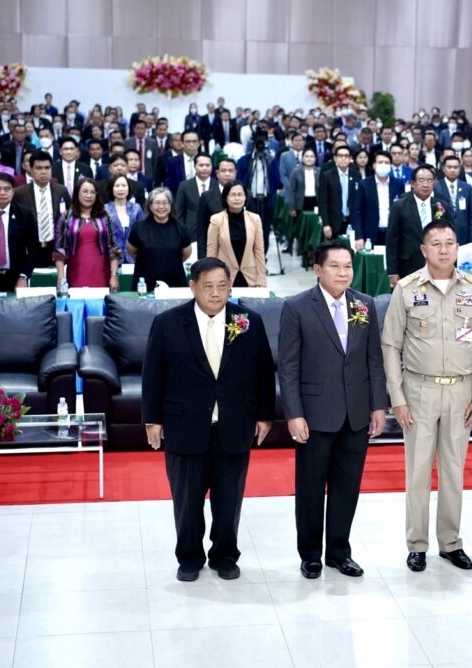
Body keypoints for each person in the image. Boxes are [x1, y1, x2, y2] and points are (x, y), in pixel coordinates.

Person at [142, 257, 275, 582]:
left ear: (230, 287)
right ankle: (189, 557)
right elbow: (153, 375)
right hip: (185, 426)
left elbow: (263, 372)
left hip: (234, 425)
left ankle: (225, 555)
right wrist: (152, 420)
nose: (216, 293)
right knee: (187, 501)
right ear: (193, 287)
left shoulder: (249, 321)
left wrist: (265, 415)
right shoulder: (168, 323)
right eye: (208, 286)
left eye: (222, 286)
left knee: (229, 500)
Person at [381, 220, 472, 572]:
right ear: (423, 249)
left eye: (449, 243)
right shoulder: (407, 289)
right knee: (417, 471)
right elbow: (390, 344)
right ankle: (417, 544)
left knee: (453, 471)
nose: (443, 250)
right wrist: (397, 397)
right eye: (436, 244)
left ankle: (450, 542)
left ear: (457, 247)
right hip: (419, 391)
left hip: (461, 391)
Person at [278, 242, 387, 579]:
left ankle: (339, 552)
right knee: (311, 488)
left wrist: (377, 406)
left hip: (356, 413)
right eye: (335, 266)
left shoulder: (364, 304)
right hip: (314, 414)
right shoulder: (297, 307)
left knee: (347, 486)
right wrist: (294, 413)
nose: (343, 273)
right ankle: (310, 554)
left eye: (348, 266)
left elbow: (374, 360)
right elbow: (288, 367)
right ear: (318, 269)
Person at [385, 165, 454, 285]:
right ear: (412, 183)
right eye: (421, 180)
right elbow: (392, 240)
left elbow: (451, 237)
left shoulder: (441, 206)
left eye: (429, 180)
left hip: (438, 264)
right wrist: (393, 272)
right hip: (408, 265)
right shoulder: (399, 206)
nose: (425, 184)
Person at [53, 177, 121, 289]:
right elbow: (59, 251)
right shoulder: (66, 217)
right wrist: (61, 279)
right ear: (77, 193)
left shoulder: (105, 216)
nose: (89, 195)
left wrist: (114, 276)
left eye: (92, 192)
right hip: (76, 273)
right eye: (85, 191)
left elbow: (113, 248)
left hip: (101, 273)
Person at [12, 150, 71, 268]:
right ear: (31, 170)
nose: (44, 172)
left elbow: (69, 217)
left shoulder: (61, 191)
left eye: (47, 168)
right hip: (30, 247)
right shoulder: (20, 193)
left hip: (55, 247)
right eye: (39, 168)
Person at [127, 187, 192, 290]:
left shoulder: (181, 228)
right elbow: (132, 251)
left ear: (170, 205)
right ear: (150, 206)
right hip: (145, 282)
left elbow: (186, 254)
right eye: (157, 203)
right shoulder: (139, 227)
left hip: (174, 282)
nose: (161, 207)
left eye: (165, 203)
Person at [206, 182, 266, 287]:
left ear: (245, 197)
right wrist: (211, 278)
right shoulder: (216, 220)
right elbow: (212, 252)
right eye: (233, 195)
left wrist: (261, 279)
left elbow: (259, 251)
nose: (237, 198)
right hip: (224, 276)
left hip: (249, 276)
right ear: (226, 198)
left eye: (240, 194)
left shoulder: (255, 219)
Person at [351, 150, 403, 247]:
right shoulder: (364, 184)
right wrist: (358, 236)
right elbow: (357, 211)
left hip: (392, 233)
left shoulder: (398, 184)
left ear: (390, 165)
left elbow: (402, 211)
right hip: (370, 234)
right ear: (374, 165)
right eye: (380, 162)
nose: (383, 165)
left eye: (386, 162)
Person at [317, 144, 360, 239]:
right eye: (340, 156)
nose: (343, 158)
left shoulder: (356, 175)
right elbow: (323, 202)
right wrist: (326, 224)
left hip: (351, 221)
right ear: (335, 158)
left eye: (346, 156)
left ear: (350, 159)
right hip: (333, 222)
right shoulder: (327, 176)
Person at [434, 155, 472, 245]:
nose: (452, 170)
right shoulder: (436, 187)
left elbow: (471, 217)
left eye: (455, 167)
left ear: (460, 169)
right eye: (449, 167)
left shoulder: (467, 188)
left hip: (463, 236)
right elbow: (436, 214)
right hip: (442, 234)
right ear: (443, 169)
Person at [104, 174, 143, 263]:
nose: (121, 189)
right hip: (112, 258)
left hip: (133, 257)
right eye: (117, 186)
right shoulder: (105, 209)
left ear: (128, 188)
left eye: (124, 185)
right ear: (112, 188)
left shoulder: (136, 208)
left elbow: (142, 233)